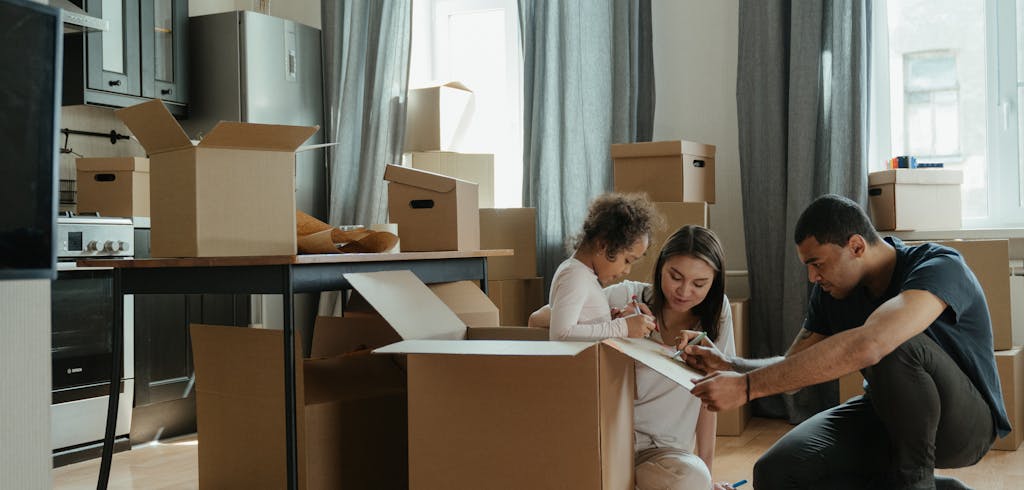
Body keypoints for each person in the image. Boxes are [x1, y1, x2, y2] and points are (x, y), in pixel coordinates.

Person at [680, 194, 1009, 490]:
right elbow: (791, 372)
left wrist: (747, 388)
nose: (812, 277)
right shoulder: (830, 292)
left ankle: (916, 484)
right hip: (885, 414)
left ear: (856, 246)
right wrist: (733, 366)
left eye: (817, 264)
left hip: (964, 427)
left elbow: (874, 343)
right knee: (775, 473)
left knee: (895, 345)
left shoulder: (939, 265)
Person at [531, 225, 742, 490]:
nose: (684, 291)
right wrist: (613, 318)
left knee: (693, 480)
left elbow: (709, 398)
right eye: (675, 276)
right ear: (660, 267)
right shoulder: (628, 294)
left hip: (663, 455)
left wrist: (708, 476)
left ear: (714, 283)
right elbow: (537, 319)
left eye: (699, 284)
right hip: (608, 442)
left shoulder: (717, 314)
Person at [547, 192, 659, 341]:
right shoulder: (575, 276)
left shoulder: (583, 275)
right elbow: (560, 334)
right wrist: (622, 327)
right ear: (603, 245)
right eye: (627, 260)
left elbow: (582, 327)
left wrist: (608, 321)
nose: (627, 270)